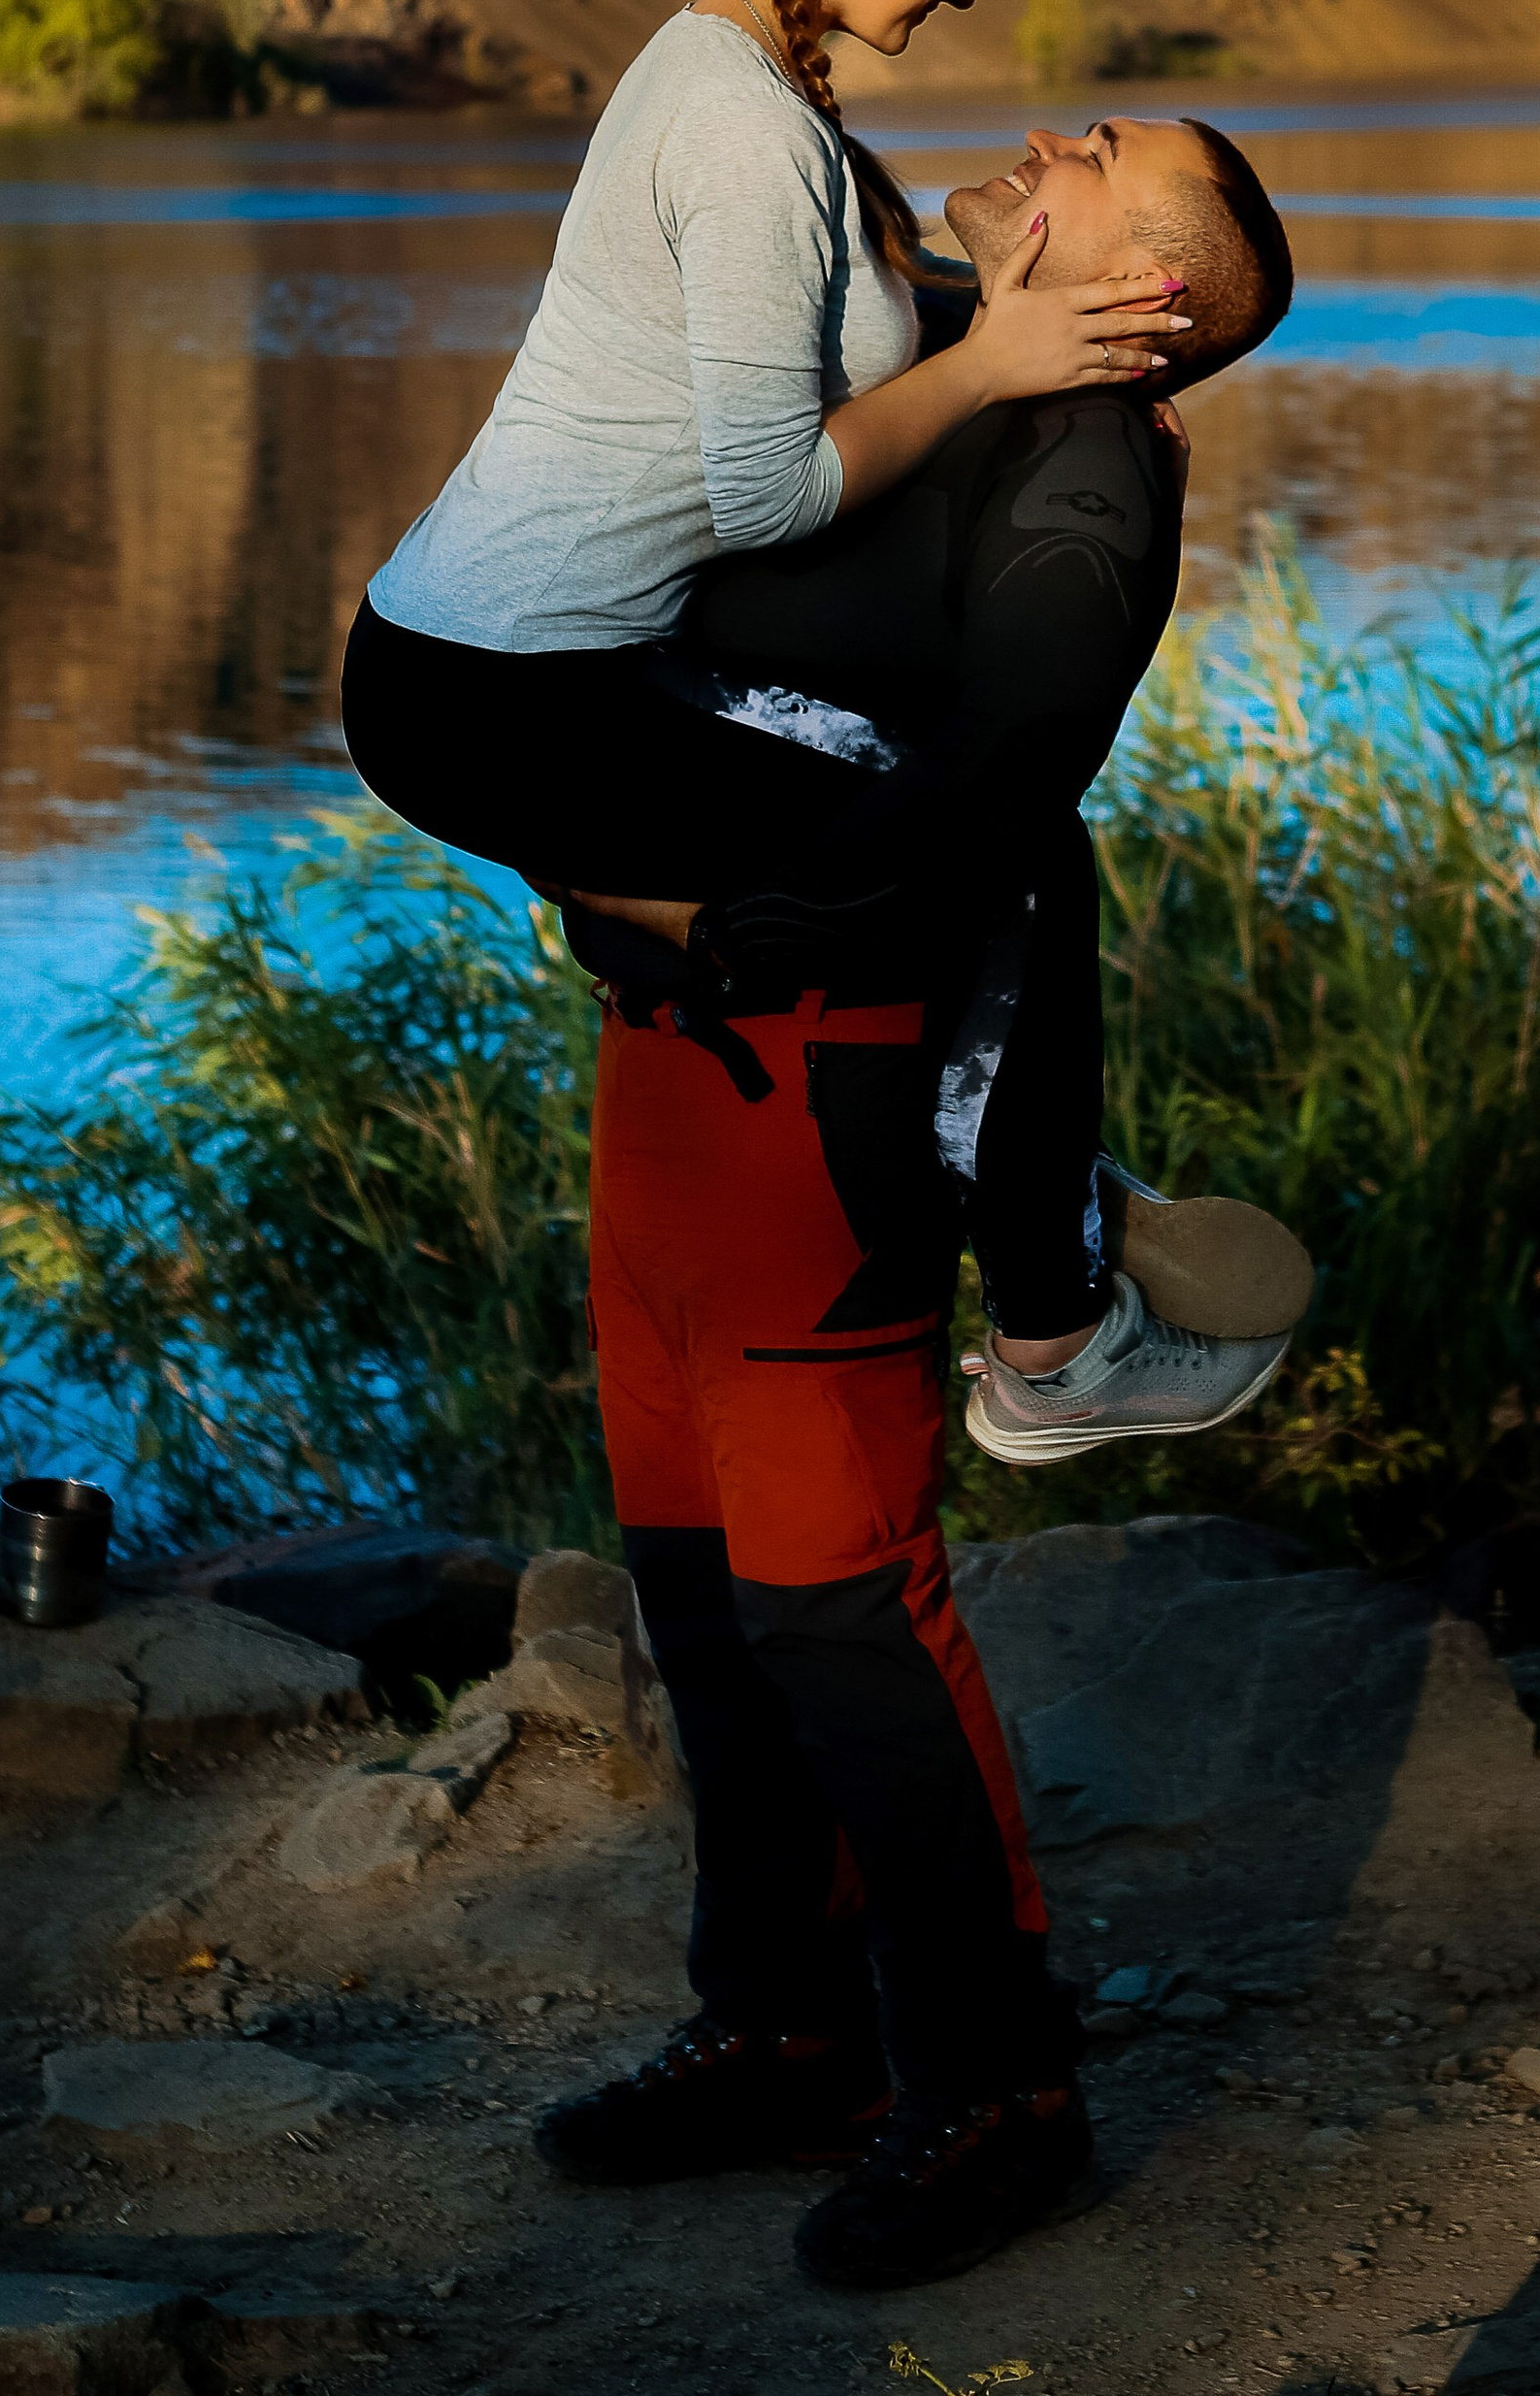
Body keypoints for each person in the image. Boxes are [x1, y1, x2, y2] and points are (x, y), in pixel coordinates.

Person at [529, 116, 1298, 2293]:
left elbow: (1006, 789)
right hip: (659, 1070)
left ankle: (994, 2089)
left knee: (838, 1604)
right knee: (690, 1584)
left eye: (1107, 151)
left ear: (1147, 293)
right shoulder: (929, 353)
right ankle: (780, 2027)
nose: (1048, 126)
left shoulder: (1080, 472)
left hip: (823, 1088)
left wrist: (750, 908)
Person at [344, 0, 1204, 1387]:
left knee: (930, 831)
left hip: (486, 659)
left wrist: (1073, 353)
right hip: (493, 693)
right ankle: (1054, 1341)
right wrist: (997, 367)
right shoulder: (747, 127)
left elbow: (831, 329)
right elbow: (768, 494)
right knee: (991, 855)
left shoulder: (734, 78)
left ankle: (977, 1140)